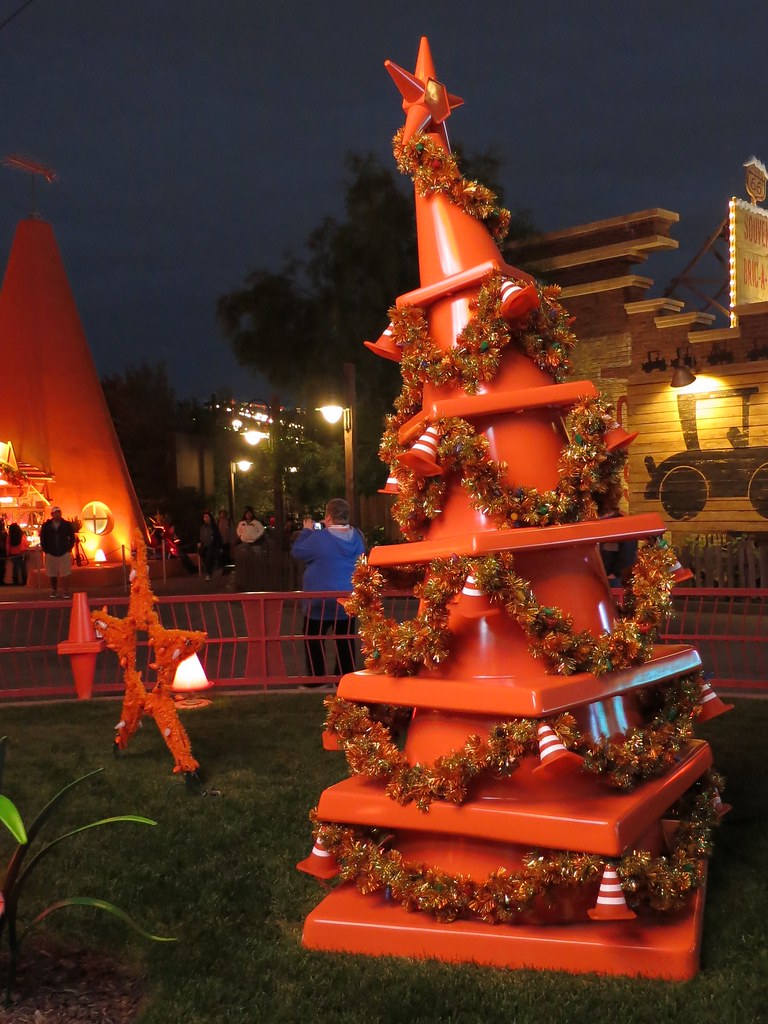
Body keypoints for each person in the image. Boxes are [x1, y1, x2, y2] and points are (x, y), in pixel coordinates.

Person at [291, 498, 366, 683]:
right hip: (347, 599)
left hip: (319, 601)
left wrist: (307, 530)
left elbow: (298, 551)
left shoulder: (319, 538)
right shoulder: (357, 536)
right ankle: (343, 677)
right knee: (345, 640)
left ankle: (317, 679)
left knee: (313, 638)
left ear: (329, 516)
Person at [39, 505, 76, 598]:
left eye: (59, 512)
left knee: (65, 573)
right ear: (52, 514)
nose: (58, 515)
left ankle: (65, 591)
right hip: (51, 552)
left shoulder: (66, 525)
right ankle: (54, 590)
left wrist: (69, 548)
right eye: (56, 513)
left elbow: (72, 537)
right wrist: (46, 550)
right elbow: (43, 538)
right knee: (52, 573)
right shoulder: (47, 526)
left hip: (64, 551)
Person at [198, 510, 222, 581]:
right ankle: (209, 571)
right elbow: (200, 535)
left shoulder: (214, 526)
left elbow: (218, 536)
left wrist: (219, 546)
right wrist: (199, 542)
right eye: (204, 517)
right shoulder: (202, 527)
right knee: (205, 558)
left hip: (212, 545)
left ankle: (208, 573)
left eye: (207, 517)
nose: (206, 518)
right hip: (204, 545)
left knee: (209, 557)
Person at [7, 522, 29, 586]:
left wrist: (8, 553)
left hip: (13, 554)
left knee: (15, 568)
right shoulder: (22, 536)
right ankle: (24, 581)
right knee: (23, 567)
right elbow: (27, 544)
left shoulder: (9, 537)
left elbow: (7, 546)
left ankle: (15, 582)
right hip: (21, 553)